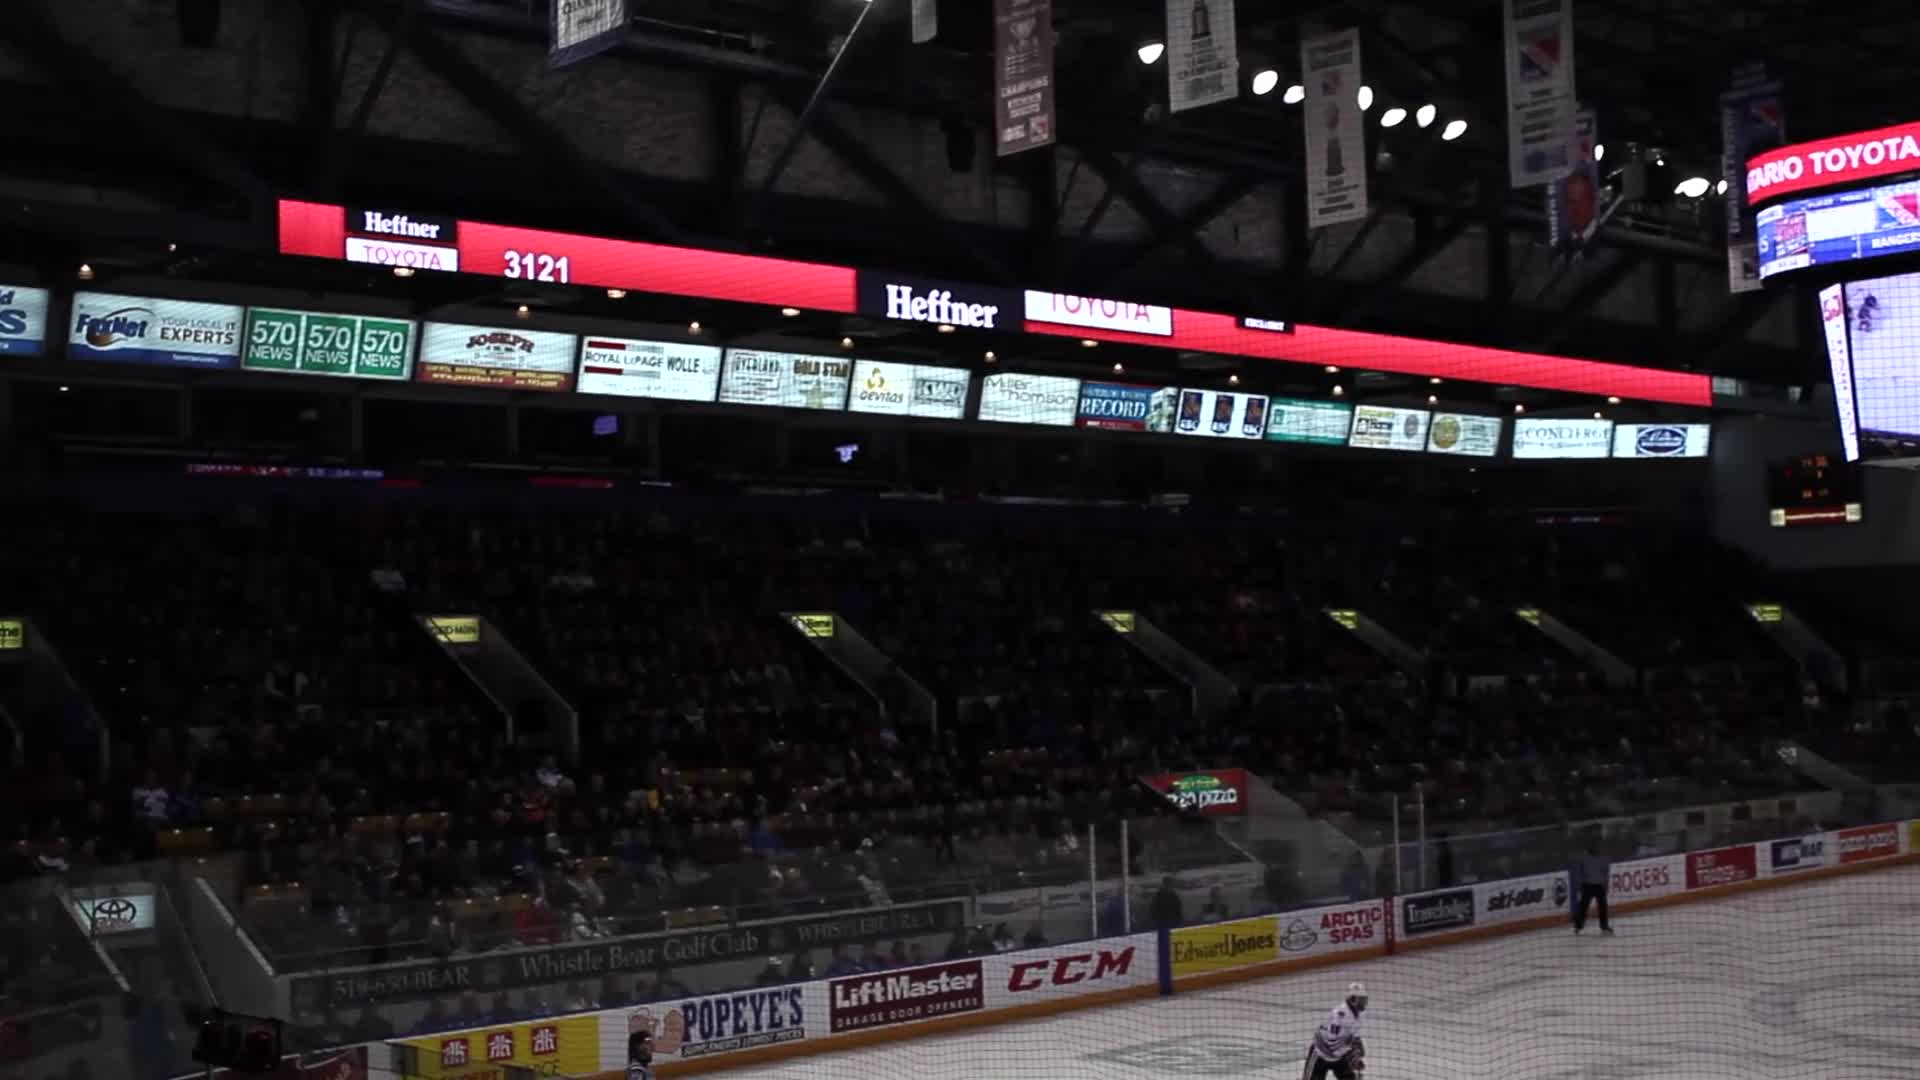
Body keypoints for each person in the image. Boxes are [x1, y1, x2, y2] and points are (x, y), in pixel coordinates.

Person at [1302, 982, 1369, 1080]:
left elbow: (1354, 1038)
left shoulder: (1357, 1015)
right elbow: (1330, 1044)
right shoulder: (1340, 1015)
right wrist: (1351, 1055)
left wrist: (1356, 1055)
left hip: (1338, 1057)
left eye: (1364, 999)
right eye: (1361, 999)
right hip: (1320, 1056)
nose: (1364, 1002)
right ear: (1352, 999)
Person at [1574, 842, 1614, 935]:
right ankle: (1578, 926)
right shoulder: (1584, 858)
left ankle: (1604, 926)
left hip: (1599, 886)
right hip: (1587, 885)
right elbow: (1579, 871)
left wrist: (1606, 884)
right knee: (1583, 906)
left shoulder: (1603, 858)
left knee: (1602, 907)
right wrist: (1580, 883)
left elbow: (1606, 872)